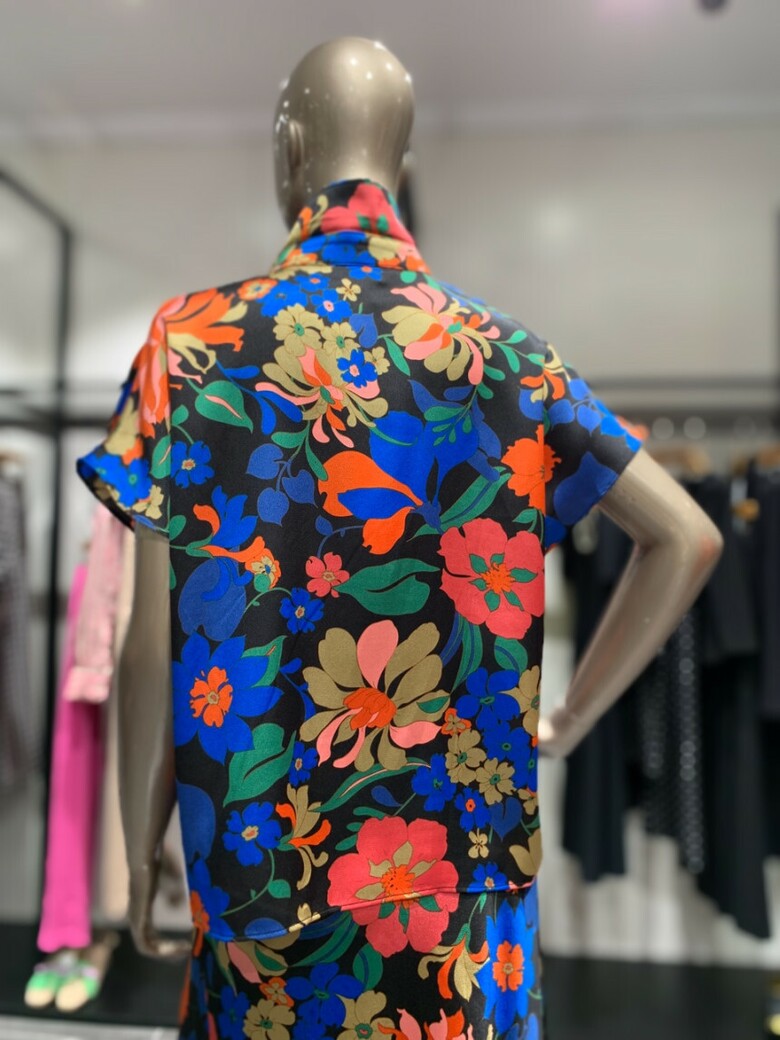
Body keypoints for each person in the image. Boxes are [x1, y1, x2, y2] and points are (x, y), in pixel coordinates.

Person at [77, 36, 722, 1040]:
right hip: (461, 902)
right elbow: (687, 536)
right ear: (402, 164)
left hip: (259, 893)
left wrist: (137, 846)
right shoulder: (510, 356)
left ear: (292, 149)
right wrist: (567, 721)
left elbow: (150, 639)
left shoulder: (192, 344)